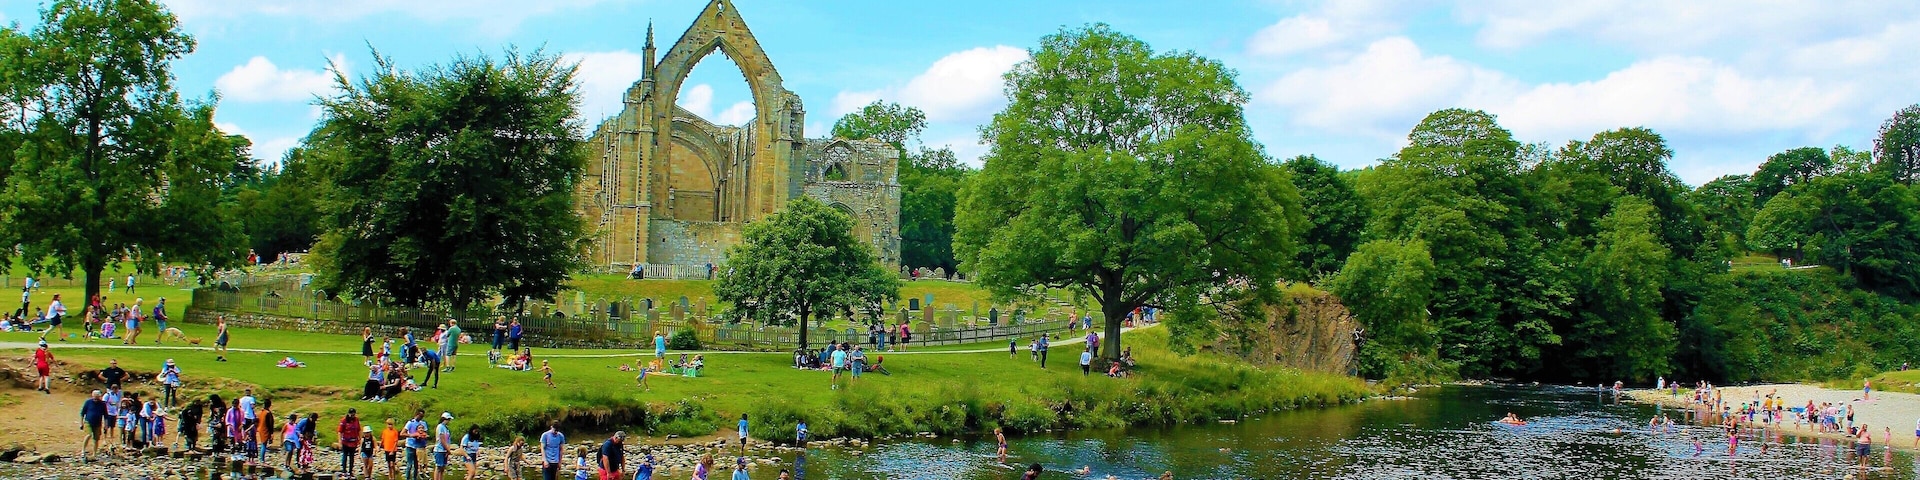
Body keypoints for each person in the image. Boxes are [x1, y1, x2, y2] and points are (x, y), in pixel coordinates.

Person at [81, 389, 107, 461]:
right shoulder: (88, 402)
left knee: (96, 439)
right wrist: (81, 423)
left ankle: (94, 453)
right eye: (94, 397)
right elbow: (82, 413)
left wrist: (106, 425)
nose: (95, 399)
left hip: (98, 423)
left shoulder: (102, 404)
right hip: (88, 422)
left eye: (97, 398)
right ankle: (83, 450)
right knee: (88, 435)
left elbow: (105, 415)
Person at [405, 410, 430, 480]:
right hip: (410, 446)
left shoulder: (423, 423)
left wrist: (424, 437)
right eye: (420, 416)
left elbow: (426, 433)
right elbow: (402, 433)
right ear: (416, 415)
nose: (421, 417)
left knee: (417, 464)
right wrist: (412, 435)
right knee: (409, 465)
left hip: (420, 446)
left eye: (422, 416)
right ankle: (407, 478)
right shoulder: (410, 422)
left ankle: (415, 478)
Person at [340, 409, 364, 477]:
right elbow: (340, 431)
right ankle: (344, 470)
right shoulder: (344, 420)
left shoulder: (356, 420)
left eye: (353, 414)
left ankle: (350, 471)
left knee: (352, 456)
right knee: (345, 455)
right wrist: (340, 441)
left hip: (354, 442)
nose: (352, 416)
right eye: (351, 414)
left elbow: (359, 430)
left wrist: (360, 439)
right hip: (345, 441)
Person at [434, 412, 455, 480]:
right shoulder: (440, 427)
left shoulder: (446, 428)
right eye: (448, 419)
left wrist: (447, 450)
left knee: (442, 467)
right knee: (439, 467)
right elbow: (442, 440)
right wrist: (448, 450)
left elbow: (447, 440)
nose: (449, 421)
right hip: (439, 449)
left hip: (444, 450)